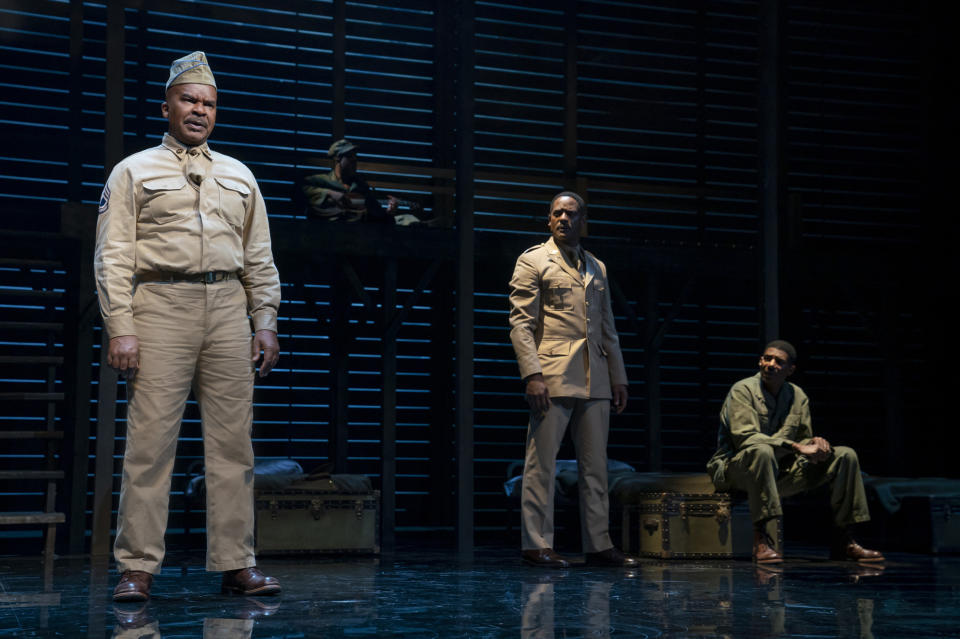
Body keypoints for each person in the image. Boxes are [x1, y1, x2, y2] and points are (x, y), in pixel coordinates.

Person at [95, 51, 283, 601]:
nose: (199, 110)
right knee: (151, 445)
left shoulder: (239, 174)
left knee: (233, 446)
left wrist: (264, 321)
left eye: (208, 103)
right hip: (160, 304)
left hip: (227, 307)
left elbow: (260, 257)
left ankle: (236, 563)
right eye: (189, 100)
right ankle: (137, 568)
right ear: (167, 106)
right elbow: (112, 256)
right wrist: (121, 326)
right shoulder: (134, 170)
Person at [508, 191, 636, 568]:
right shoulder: (533, 260)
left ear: (584, 221)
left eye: (571, 214)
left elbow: (607, 327)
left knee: (596, 467)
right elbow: (521, 324)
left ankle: (598, 545)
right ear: (549, 220)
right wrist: (532, 374)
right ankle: (536, 543)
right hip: (551, 374)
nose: (564, 219)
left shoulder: (597, 266)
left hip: (594, 376)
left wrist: (618, 377)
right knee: (542, 465)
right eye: (557, 214)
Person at [706, 340, 884, 564]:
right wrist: (796, 446)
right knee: (761, 451)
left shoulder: (798, 396)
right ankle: (762, 538)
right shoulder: (743, 390)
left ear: (790, 370)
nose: (770, 364)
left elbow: (803, 439)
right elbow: (745, 438)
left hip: (781, 471)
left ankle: (844, 539)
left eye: (778, 361)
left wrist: (816, 446)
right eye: (766, 358)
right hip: (738, 471)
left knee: (845, 455)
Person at [302, 139, 396, 223]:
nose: (354, 159)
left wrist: (389, 213)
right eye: (349, 156)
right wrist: (330, 193)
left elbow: (376, 215)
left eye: (355, 156)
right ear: (338, 158)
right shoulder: (322, 180)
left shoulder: (361, 186)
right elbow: (299, 190)